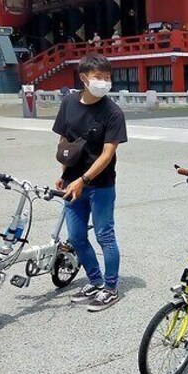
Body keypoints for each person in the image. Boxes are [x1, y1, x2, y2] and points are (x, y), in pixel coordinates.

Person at [53, 54, 127, 312]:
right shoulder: (68, 104)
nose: (104, 82)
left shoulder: (113, 113)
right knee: (75, 235)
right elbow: (64, 142)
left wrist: (83, 180)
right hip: (73, 183)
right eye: (98, 77)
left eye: (107, 77)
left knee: (104, 234)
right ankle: (95, 280)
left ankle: (110, 287)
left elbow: (107, 155)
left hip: (101, 184)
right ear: (84, 78)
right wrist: (65, 174)